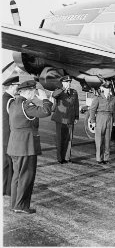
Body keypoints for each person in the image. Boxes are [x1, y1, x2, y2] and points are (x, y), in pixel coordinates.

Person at [7, 80, 53, 214]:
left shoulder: (12, 103)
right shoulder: (26, 105)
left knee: (17, 176)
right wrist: (45, 98)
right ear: (27, 91)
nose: (34, 93)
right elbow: (46, 111)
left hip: (14, 144)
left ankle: (15, 204)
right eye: (33, 90)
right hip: (26, 146)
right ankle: (21, 206)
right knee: (26, 176)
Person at [51, 75, 79, 164]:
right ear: (62, 83)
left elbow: (76, 105)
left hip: (70, 119)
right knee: (60, 139)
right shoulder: (59, 91)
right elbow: (54, 95)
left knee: (69, 139)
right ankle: (60, 158)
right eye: (67, 82)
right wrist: (63, 89)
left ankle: (67, 157)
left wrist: (76, 117)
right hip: (60, 119)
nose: (69, 83)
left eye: (70, 82)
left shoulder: (74, 92)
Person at [89, 81, 115, 164]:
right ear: (102, 89)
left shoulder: (113, 98)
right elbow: (92, 110)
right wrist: (93, 121)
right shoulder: (97, 98)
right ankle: (99, 158)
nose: (108, 90)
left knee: (107, 140)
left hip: (109, 118)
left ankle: (106, 158)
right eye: (106, 88)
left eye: (109, 88)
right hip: (100, 118)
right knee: (99, 140)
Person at [2, 75, 20, 196]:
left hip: (3, 135)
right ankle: (9, 190)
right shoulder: (10, 100)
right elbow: (15, 119)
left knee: (5, 163)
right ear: (12, 86)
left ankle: (3, 188)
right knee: (10, 164)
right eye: (17, 86)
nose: (18, 88)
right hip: (9, 136)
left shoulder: (3, 98)